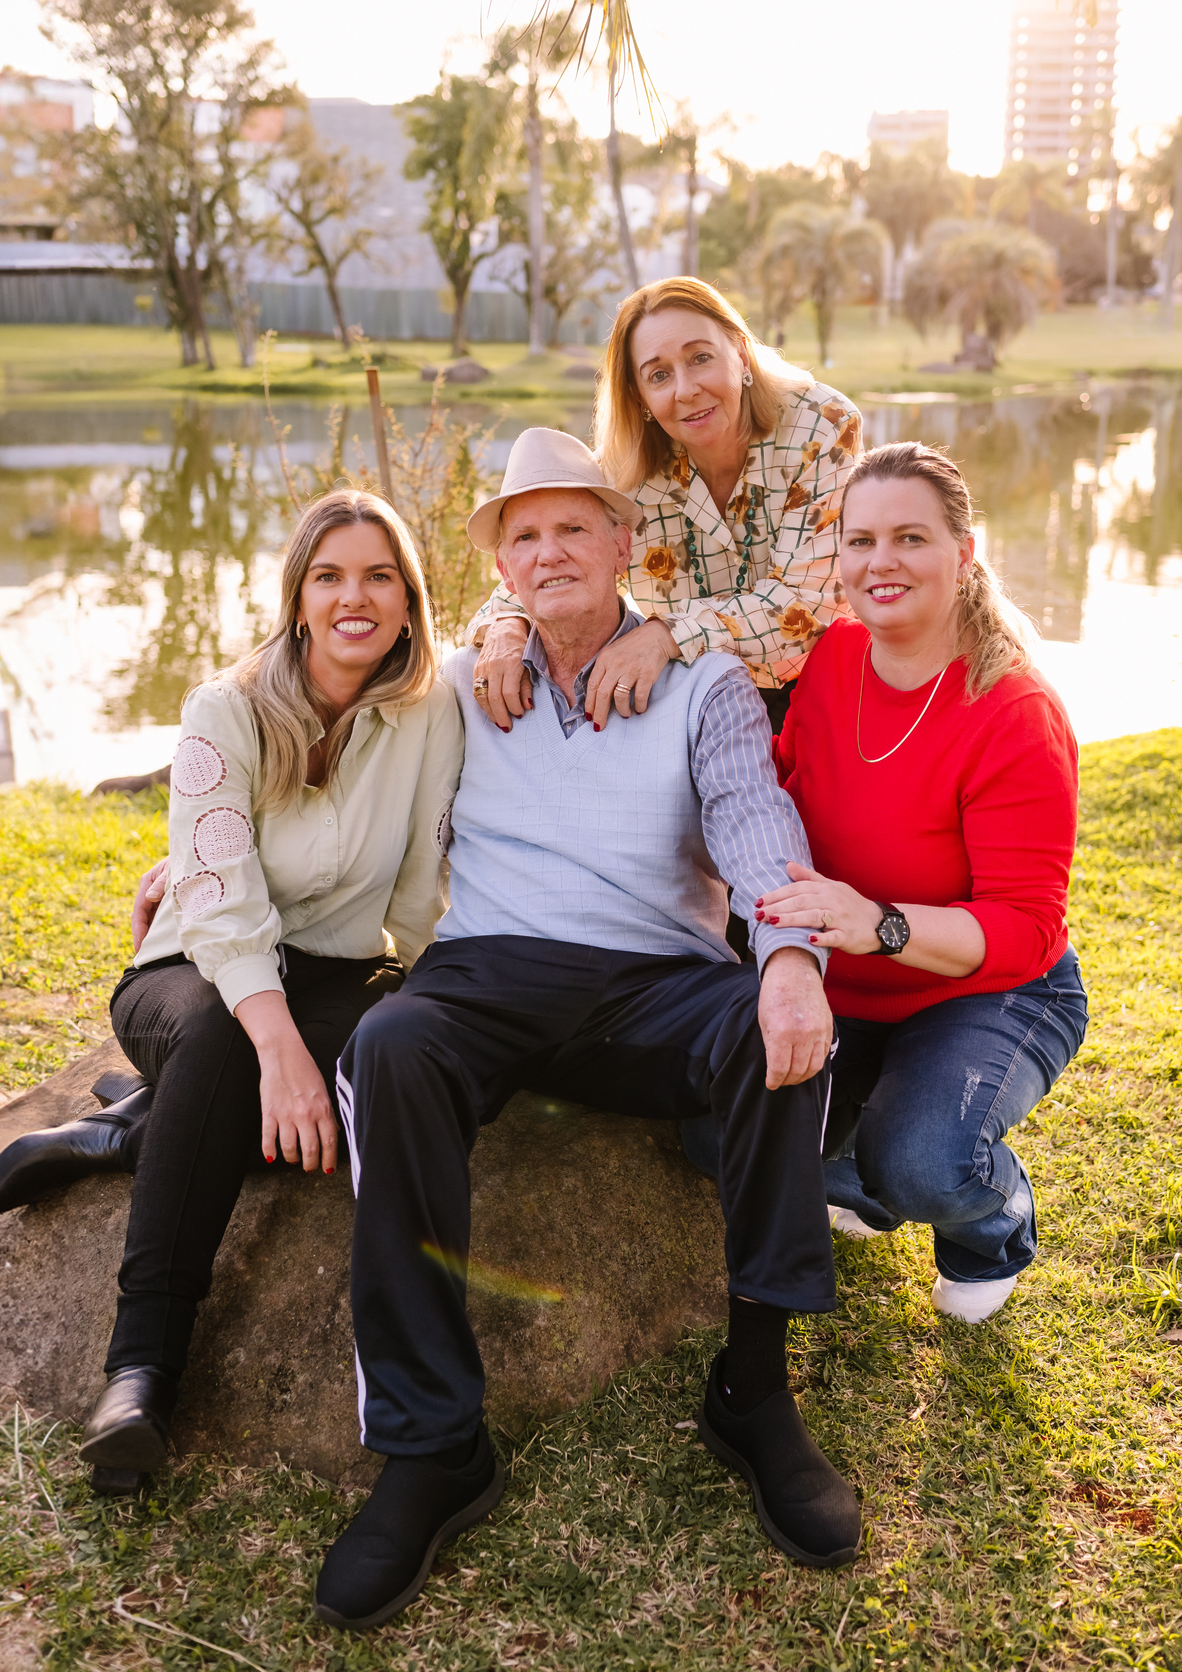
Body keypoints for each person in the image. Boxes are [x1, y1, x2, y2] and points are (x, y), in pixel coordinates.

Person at [312, 428, 861, 1633]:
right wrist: (195, 850)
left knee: (771, 1035)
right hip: (488, 974)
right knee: (390, 1048)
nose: (550, 550)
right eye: (524, 534)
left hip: (652, 984)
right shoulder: (460, 677)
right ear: (500, 567)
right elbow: (325, 749)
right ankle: (434, 1444)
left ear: (624, 544)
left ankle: (754, 1396)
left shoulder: (702, 682)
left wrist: (787, 960)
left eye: (574, 527)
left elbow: (755, 825)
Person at [0, 489, 464, 1491]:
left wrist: (430, 995)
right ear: (297, 597)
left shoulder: (431, 709)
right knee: (224, 1042)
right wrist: (280, 1048)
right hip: (191, 971)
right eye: (330, 575)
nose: (356, 596)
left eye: (380, 575)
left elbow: (425, 889)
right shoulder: (227, 707)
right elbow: (215, 901)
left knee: (380, 1070)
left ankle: (125, 1135)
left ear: (409, 598)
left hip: (341, 973)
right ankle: (141, 1371)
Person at [684, 442, 1088, 1326]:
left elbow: (1025, 930)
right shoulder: (831, 657)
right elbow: (782, 796)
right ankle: (866, 1174)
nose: (881, 563)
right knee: (711, 1134)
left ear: (963, 553)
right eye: (859, 541)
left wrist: (882, 925)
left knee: (923, 1163)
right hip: (844, 980)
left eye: (910, 537)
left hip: (987, 988)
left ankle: (992, 1223)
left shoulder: (1014, 712)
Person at [468, 277, 862, 739]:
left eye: (700, 358)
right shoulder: (623, 472)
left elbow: (807, 603)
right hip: (692, 702)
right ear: (639, 397)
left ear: (740, 352)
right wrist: (506, 624)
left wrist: (665, 634)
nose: (686, 389)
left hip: (822, 697)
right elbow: (551, 557)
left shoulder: (821, 426)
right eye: (658, 375)